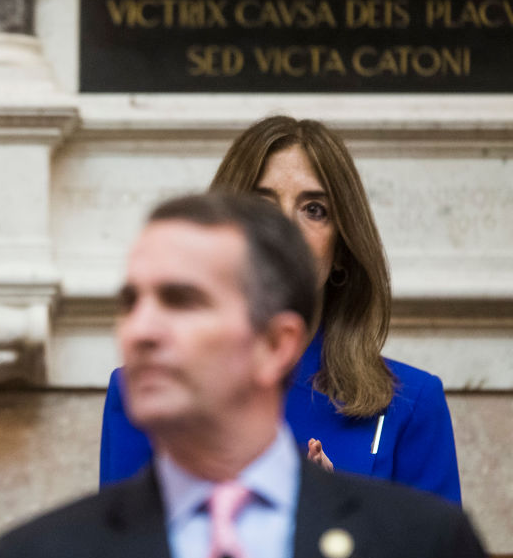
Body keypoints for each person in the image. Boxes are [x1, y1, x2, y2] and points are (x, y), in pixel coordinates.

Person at [0, 193, 511, 558]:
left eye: (182, 300)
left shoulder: (423, 547)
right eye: (131, 302)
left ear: (276, 345)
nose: (141, 330)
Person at [100, 116, 461, 504]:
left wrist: (339, 519)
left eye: (315, 209)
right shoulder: (144, 392)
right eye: (261, 205)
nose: (286, 229)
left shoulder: (411, 405)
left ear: (341, 250)